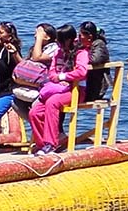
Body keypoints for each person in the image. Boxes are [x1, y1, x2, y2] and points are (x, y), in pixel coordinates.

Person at [27, 25, 90, 155]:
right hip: (57, 89)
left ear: (69, 40)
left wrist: (64, 76)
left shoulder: (81, 53)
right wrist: (56, 78)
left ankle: (51, 144)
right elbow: (52, 71)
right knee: (35, 112)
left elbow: (82, 71)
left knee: (52, 103)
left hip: (76, 91)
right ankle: (42, 144)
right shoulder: (58, 53)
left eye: (61, 41)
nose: (59, 45)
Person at [12, 23, 58, 126]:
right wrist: (15, 54)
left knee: (36, 105)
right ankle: (39, 126)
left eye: (38, 33)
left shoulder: (53, 48)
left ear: (47, 36)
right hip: (34, 86)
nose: (35, 36)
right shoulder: (36, 49)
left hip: (47, 87)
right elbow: (27, 67)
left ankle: (45, 129)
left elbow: (37, 58)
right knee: (15, 102)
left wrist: (39, 39)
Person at [80, 21, 112, 100]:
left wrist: (81, 56)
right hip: (84, 84)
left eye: (81, 35)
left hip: (95, 88)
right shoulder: (84, 44)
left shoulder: (99, 44)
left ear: (89, 36)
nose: (79, 37)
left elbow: (95, 60)